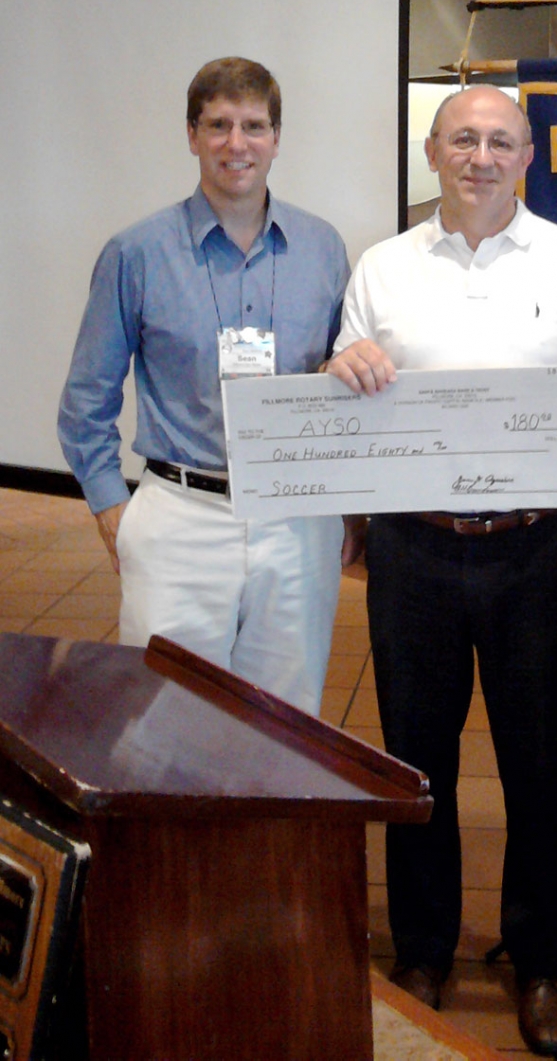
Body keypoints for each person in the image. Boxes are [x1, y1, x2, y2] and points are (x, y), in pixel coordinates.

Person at [327, 85, 557, 1056]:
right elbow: (346, 384)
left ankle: (543, 958)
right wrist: (349, 369)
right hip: (414, 547)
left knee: (539, 761)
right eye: (462, 137)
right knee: (415, 760)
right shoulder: (381, 267)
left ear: (527, 156)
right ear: (432, 152)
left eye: (499, 140)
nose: (480, 154)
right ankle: (421, 948)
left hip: (536, 544)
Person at [58, 57, 350, 715]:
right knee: (164, 721)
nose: (236, 144)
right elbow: (85, 402)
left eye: (253, 125)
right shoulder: (135, 252)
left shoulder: (323, 248)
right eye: (218, 125)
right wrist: (113, 510)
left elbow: (343, 381)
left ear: (277, 136)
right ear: (191, 134)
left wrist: (347, 509)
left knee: (287, 722)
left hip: (296, 520)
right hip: (180, 518)